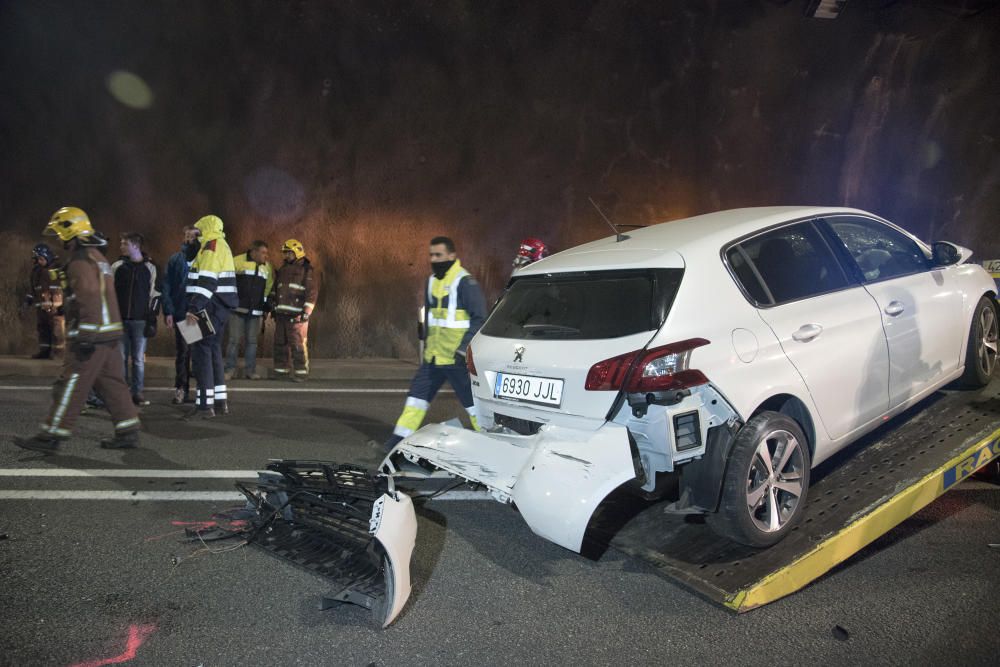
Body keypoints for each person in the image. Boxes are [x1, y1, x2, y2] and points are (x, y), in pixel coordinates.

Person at [13, 207, 140, 453]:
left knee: (71, 384)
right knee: (112, 383)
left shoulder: (79, 261)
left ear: (69, 230)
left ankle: (51, 435)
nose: (58, 239)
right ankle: (128, 429)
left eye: (59, 233)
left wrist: (86, 335)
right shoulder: (98, 257)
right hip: (110, 333)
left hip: (93, 336)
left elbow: (89, 297)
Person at [383, 236, 487, 451]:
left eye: (439, 255)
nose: (434, 259)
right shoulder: (431, 281)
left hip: (456, 358)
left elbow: (479, 319)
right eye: (431, 255)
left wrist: (463, 348)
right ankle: (397, 442)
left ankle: (489, 443)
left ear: (451, 256)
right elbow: (432, 315)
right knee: (416, 399)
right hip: (433, 357)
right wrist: (425, 334)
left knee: (472, 405)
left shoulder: (465, 282)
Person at [184, 215, 237, 418]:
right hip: (219, 307)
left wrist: (193, 308)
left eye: (197, 231)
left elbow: (206, 282)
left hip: (209, 306)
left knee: (201, 352)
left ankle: (205, 406)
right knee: (213, 350)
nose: (195, 235)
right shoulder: (220, 244)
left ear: (204, 229)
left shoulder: (210, 247)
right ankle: (219, 401)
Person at [112, 233, 161, 406]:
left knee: (138, 359)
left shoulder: (150, 268)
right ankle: (122, 393)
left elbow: (155, 295)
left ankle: (137, 393)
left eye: (124, 243)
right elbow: (109, 293)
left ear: (135, 246)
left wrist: (152, 318)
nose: (121, 246)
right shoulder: (117, 266)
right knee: (121, 358)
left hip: (140, 320)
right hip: (120, 319)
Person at [161, 225, 200, 404]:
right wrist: (168, 311)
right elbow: (167, 286)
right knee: (183, 353)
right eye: (186, 235)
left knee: (200, 353)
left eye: (192, 236)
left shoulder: (204, 258)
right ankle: (181, 389)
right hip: (183, 312)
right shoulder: (176, 259)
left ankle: (203, 392)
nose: (188, 239)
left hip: (199, 313)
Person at [270, 239, 317, 382]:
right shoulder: (283, 269)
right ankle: (281, 372)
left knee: (297, 345)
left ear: (297, 252)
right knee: (279, 344)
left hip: (297, 316)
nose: (286, 256)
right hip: (281, 315)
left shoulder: (307, 270)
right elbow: (275, 289)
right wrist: (272, 304)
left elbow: (312, 292)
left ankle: (301, 373)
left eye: (289, 253)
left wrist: (306, 312)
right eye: (285, 253)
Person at [225, 240, 273, 380]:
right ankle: (229, 370)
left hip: (255, 312)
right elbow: (228, 281)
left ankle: (250, 371)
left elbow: (268, 286)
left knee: (252, 342)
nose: (266, 256)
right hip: (237, 309)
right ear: (254, 252)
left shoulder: (267, 267)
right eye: (263, 253)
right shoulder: (237, 261)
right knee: (233, 341)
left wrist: (263, 305)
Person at [26, 243, 65, 359]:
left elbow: (65, 287)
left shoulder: (58, 268)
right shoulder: (36, 272)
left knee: (57, 332)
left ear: (48, 256)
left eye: (41, 259)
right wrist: (28, 300)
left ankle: (59, 354)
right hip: (42, 308)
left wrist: (64, 305)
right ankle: (44, 352)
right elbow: (33, 289)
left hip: (56, 309)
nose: (39, 261)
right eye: (37, 259)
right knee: (43, 330)